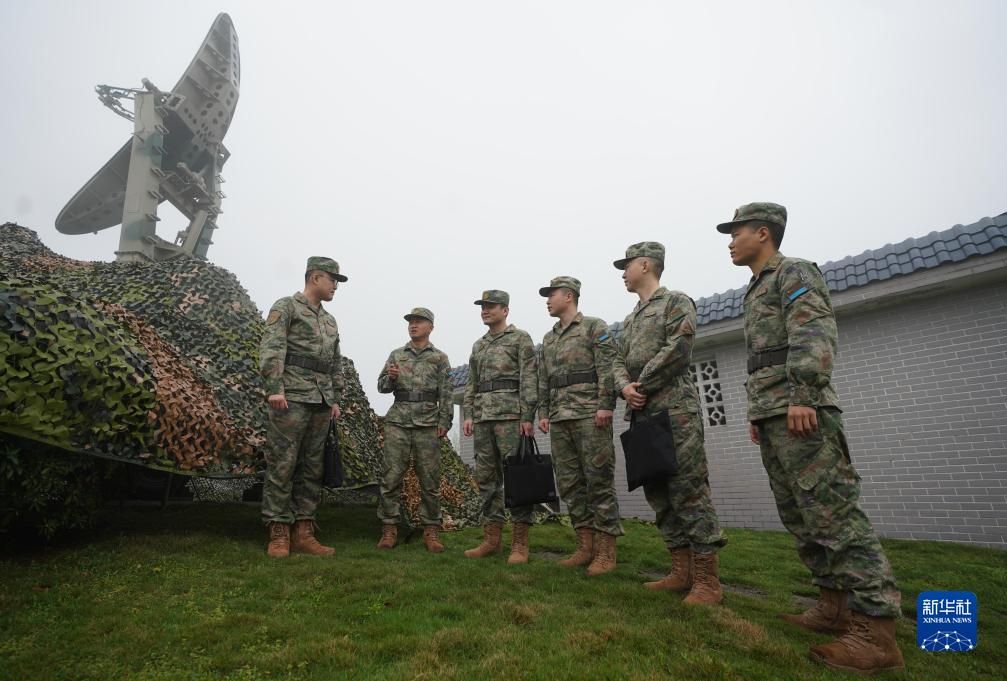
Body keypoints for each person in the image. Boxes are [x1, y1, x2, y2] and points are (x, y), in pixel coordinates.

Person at [718, 202, 903, 673]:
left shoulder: (792, 271)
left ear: (763, 232)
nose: (730, 241)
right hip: (774, 413)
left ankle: (876, 632)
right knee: (801, 516)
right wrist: (758, 413)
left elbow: (813, 332)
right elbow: (764, 356)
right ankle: (832, 608)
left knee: (834, 515)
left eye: (736, 232)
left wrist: (803, 393)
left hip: (802, 410)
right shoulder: (756, 288)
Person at [612, 242, 727, 605]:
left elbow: (679, 348)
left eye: (627, 265)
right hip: (642, 414)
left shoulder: (676, 302)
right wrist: (624, 387)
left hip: (674, 411)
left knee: (687, 489)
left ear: (645, 265)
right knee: (658, 491)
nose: (623, 273)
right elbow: (616, 361)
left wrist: (640, 384)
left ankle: (708, 580)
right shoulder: (630, 319)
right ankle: (680, 571)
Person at [259, 256, 346, 558]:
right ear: (315, 277)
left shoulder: (329, 320)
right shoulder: (286, 307)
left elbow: (335, 362)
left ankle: (304, 531)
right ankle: (279, 531)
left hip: (321, 400)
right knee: (283, 463)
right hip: (291, 396)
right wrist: (274, 388)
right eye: (333, 279)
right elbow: (272, 347)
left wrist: (334, 398)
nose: (336, 286)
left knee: (313, 467)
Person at [537, 276, 623, 575]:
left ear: (569, 296)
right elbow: (543, 380)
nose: (547, 300)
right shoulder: (549, 338)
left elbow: (608, 370)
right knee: (570, 484)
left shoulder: (594, 327)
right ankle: (585, 546)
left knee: (598, 481)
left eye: (552, 294)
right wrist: (544, 412)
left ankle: (606, 551)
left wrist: (605, 405)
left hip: (590, 415)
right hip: (560, 418)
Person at [462, 290, 538, 564]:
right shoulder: (478, 345)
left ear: (505, 310)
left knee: (518, 479)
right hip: (483, 419)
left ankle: (519, 544)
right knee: (487, 480)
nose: (485, 310)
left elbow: (529, 378)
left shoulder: (520, 339)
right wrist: (469, 413)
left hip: (510, 417)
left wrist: (527, 415)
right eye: (482, 306)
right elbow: (471, 382)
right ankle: (491, 539)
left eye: (490, 306)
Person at [375, 308, 453, 552]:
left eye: (419, 322)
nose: (413, 325)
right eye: (411, 322)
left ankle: (431, 530)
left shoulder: (439, 358)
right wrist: (391, 377)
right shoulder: (397, 355)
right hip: (398, 422)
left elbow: (447, 394)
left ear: (430, 326)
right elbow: (381, 387)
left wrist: (444, 422)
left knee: (429, 480)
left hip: (428, 424)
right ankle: (389, 529)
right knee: (391, 477)